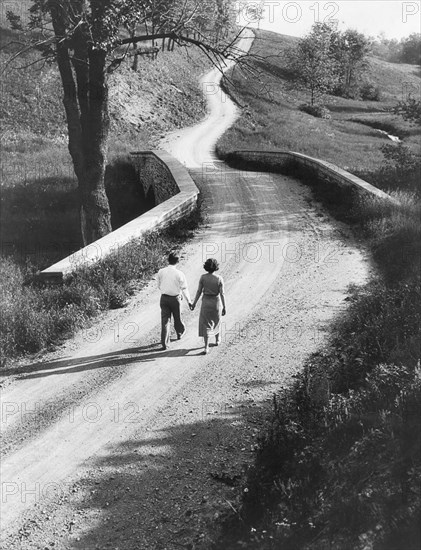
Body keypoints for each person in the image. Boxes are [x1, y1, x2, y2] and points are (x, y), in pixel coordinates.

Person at [157, 252, 192, 350]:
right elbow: (184, 288)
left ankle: (164, 343)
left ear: (168, 260)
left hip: (163, 298)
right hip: (175, 298)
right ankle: (179, 333)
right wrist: (189, 301)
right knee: (177, 317)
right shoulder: (180, 274)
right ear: (178, 261)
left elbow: (158, 285)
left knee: (165, 321)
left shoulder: (161, 271)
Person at [190, 258, 226, 355]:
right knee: (216, 320)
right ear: (216, 267)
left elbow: (199, 291)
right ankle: (217, 339)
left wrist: (194, 303)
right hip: (216, 302)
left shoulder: (203, 278)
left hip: (206, 302)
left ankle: (206, 347)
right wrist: (224, 306)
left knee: (206, 324)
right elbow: (222, 294)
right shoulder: (219, 278)